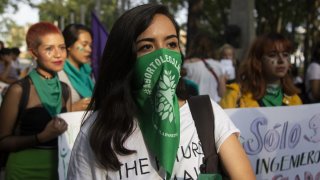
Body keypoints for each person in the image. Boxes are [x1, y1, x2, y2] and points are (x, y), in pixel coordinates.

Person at [67, 4, 255, 180]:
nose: (164, 57)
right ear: (125, 58)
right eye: (147, 47)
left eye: (172, 44)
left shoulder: (206, 114)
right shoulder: (97, 132)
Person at [0, 22, 71, 179]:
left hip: (60, 169)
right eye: (49, 49)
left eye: (62, 47)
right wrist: (41, 137)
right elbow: (3, 141)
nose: (58, 54)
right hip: (24, 171)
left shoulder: (65, 89)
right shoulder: (18, 90)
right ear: (34, 53)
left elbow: (69, 135)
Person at [220, 32, 302, 108]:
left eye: (285, 55)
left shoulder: (295, 100)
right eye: (272, 55)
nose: (281, 60)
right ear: (258, 61)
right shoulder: (235, 95)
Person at [58, 24, 94, 111]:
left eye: (90, 45)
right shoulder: (58, 73)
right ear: (69, 45)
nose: (89, 50)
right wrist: (71, 108)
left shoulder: (88, 72)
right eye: (84, 44)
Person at [183, 33, 226, 103]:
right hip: (211, 108)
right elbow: (222, 93)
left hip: (191, 108)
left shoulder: (187, 65)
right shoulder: (218, 66)